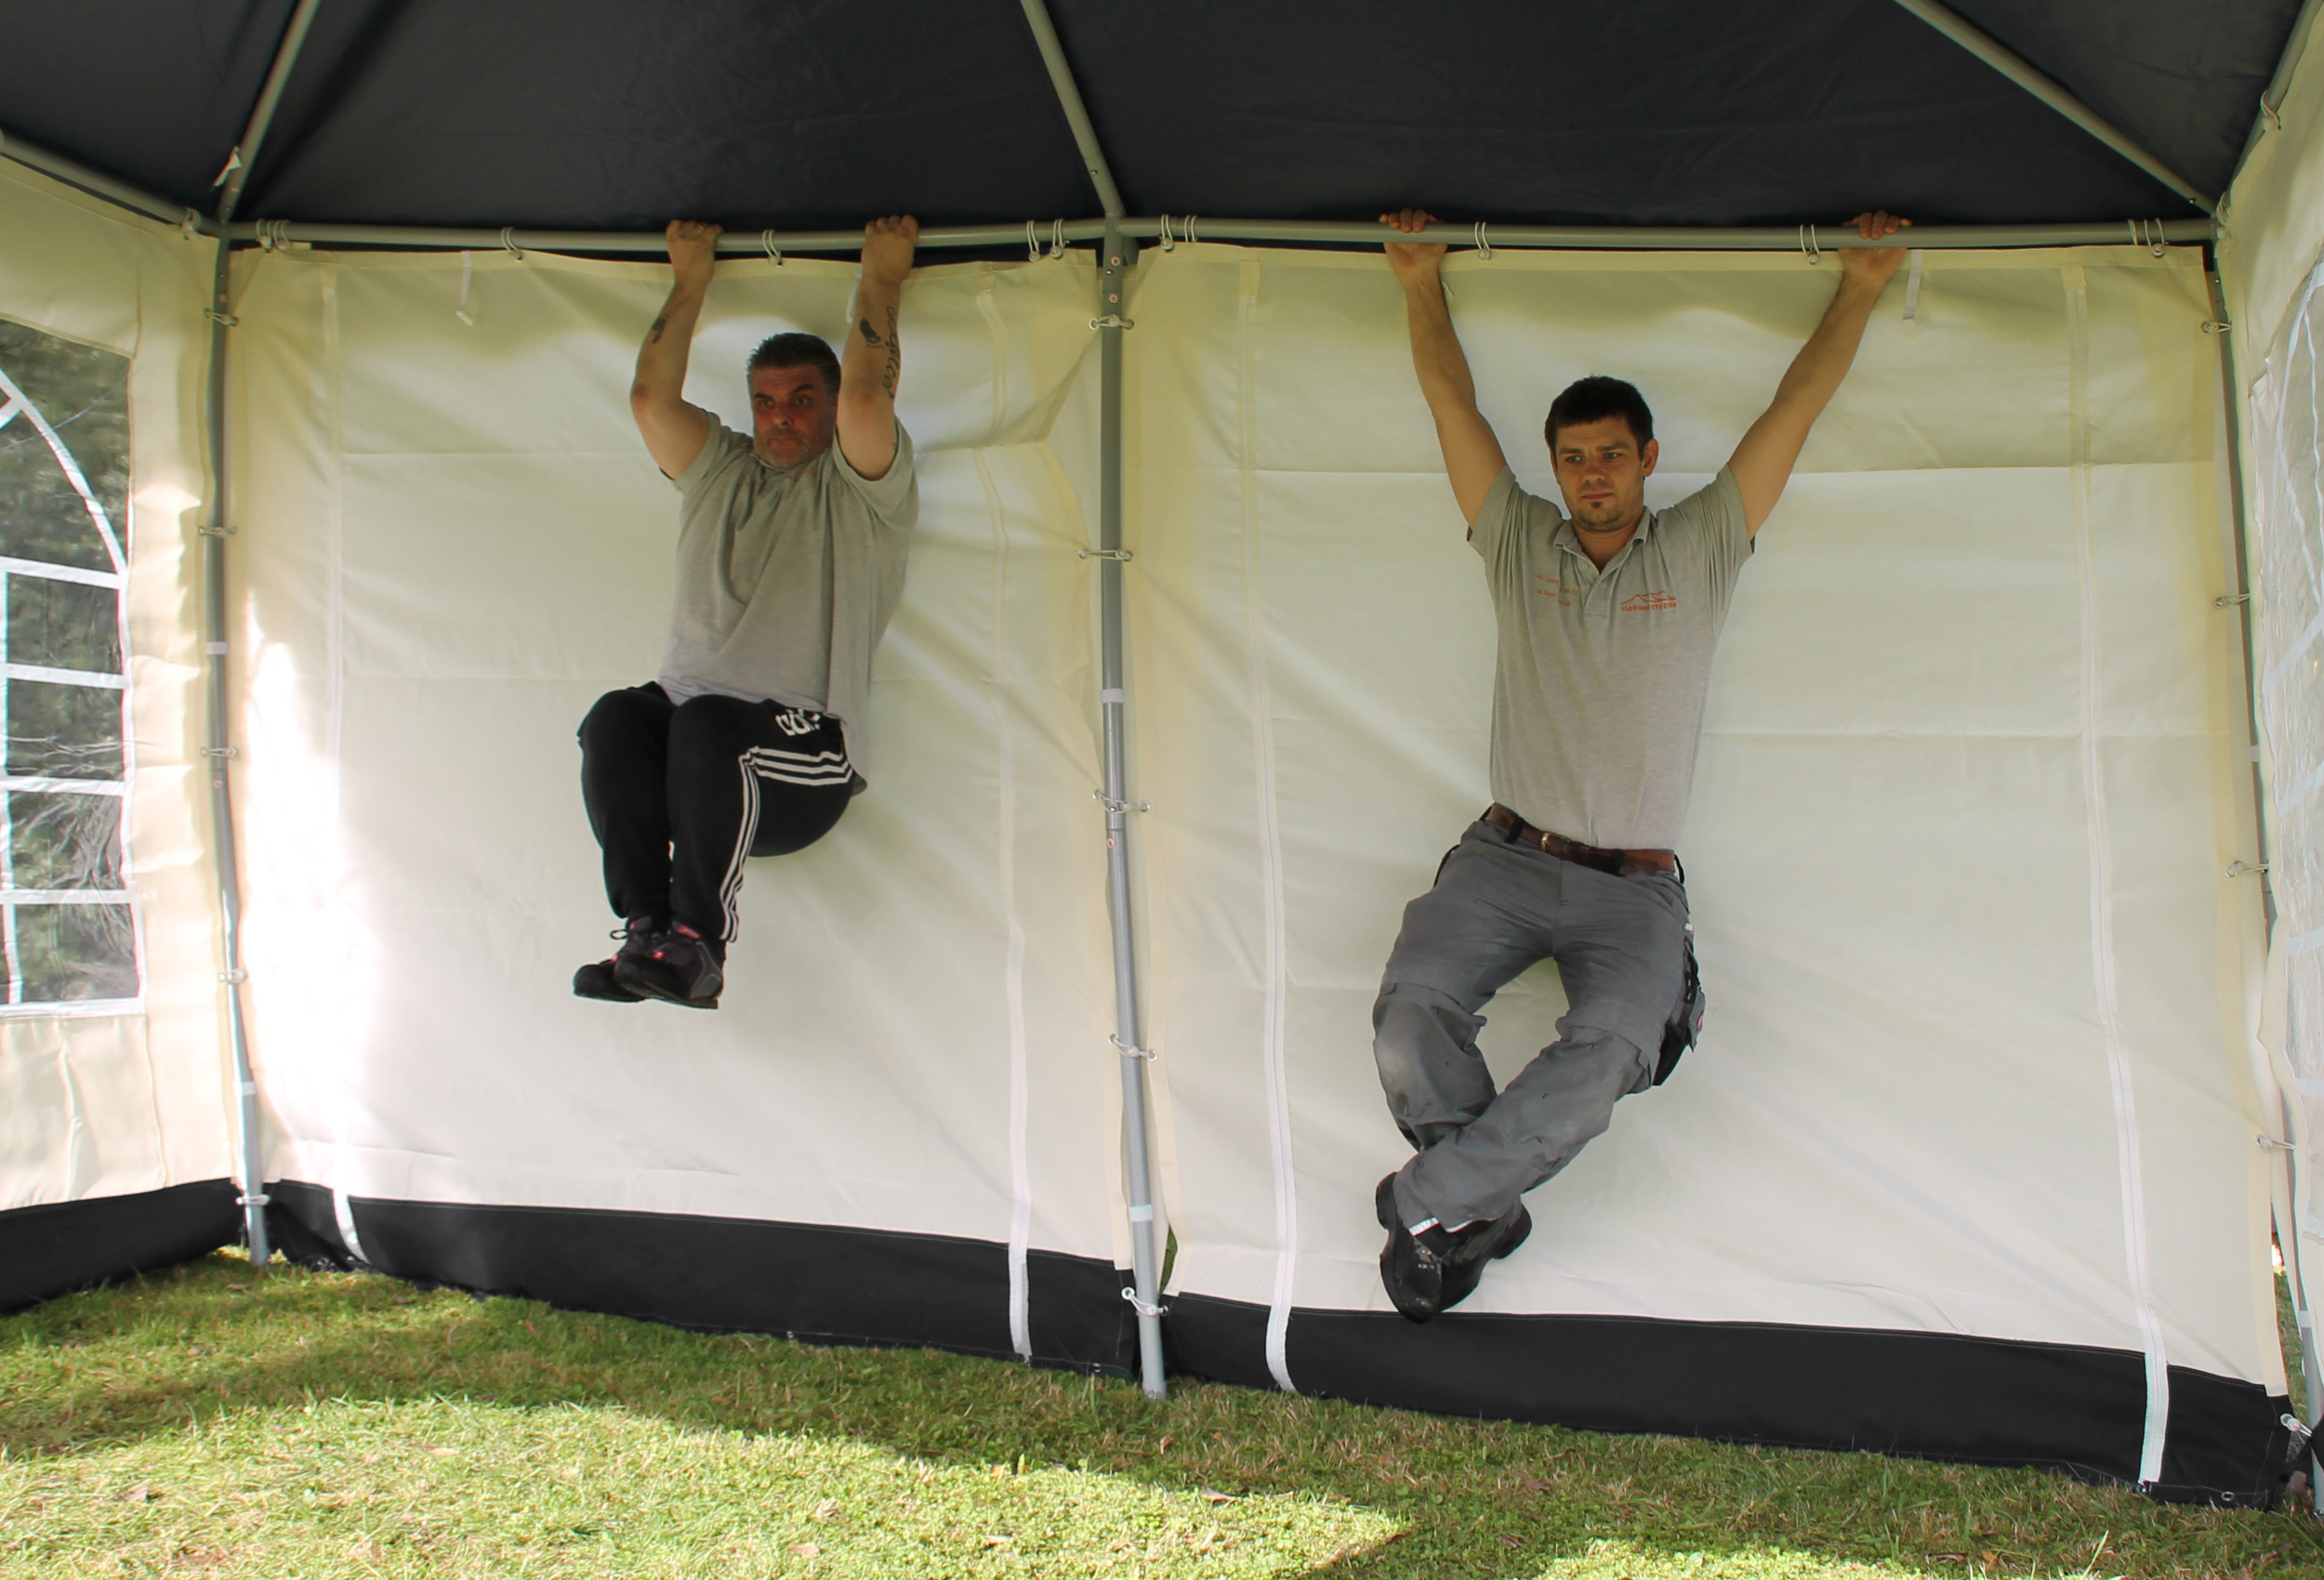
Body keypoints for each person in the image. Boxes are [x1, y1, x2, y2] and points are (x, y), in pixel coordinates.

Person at [1370, 206, 1910, 1320]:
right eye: (1573, 458)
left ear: (1647, 458)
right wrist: (1418, 279)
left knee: (1611, 1050)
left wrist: (1858, 286)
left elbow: (1791, 409)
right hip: (1503, 857)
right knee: (1407, 1012)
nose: (1591, 475)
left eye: (1612, 454)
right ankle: (1479, 1202)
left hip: (1636, 888)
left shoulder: (1704, 541)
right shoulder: (1517, 541)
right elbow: (1449, 405)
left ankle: (1438, 1195)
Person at [573, 215, 920, 1009]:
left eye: (802, 399)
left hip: (805, 764)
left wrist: (883, 279)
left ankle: (699, 947)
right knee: (618, 718)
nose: (782, 417)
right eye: (766, 402)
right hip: (697, 763)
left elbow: (870, 392)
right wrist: (689, 280)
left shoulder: (863, 487)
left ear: (830, 407)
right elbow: (649, 397)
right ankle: (647, 929)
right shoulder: (719, 471)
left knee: (708, 725)